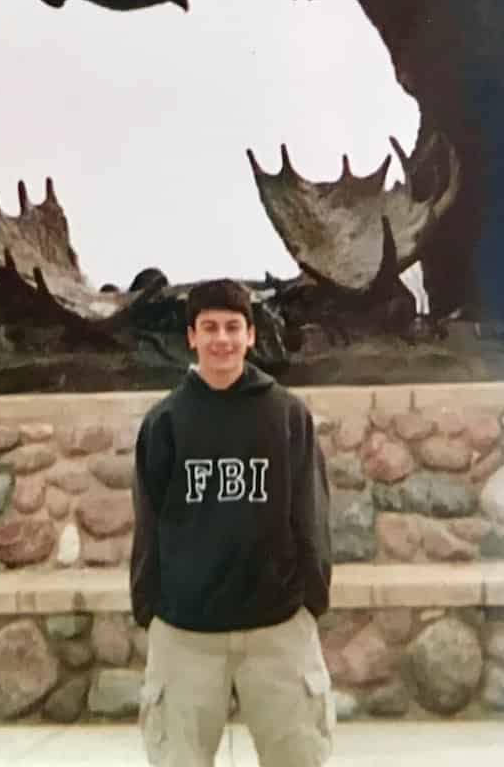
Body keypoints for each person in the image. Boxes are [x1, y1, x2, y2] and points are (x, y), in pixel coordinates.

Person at [131, 278, 334, 767]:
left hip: (276, 627)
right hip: (187, 632)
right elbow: (149, 522)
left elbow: (310, 513)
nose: (221, 338)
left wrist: (312, 599)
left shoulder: (286, 414)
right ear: (192, 338)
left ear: (249, 336)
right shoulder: (165, 422)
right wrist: (149, 607)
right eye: (209, 327)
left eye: (232, 327)